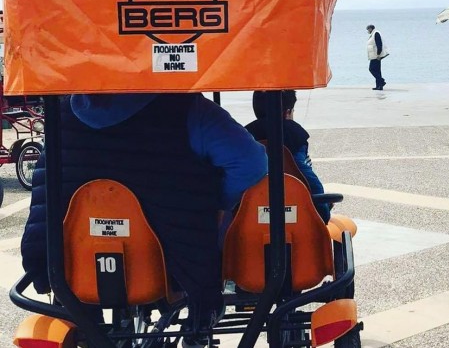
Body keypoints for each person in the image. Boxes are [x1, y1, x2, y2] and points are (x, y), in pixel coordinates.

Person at [21, 93, 268, 346]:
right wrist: (214, 203)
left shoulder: (60, 115)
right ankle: (202, 314)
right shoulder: (190, 110)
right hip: (174, 265)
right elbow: (252, 163)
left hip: (70, 267)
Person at [245, 90, 330, 223]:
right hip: (298, 218)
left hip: (250, 217)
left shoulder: (245, 136)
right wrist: (323, 210)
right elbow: (309, 179)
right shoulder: (293, 135)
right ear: (288, 112)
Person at [366, 24, 389, 90]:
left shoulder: (376, 34)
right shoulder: (373, 34)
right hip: (374, 55)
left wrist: (378, 54)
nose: (367, 31)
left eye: (368, 29)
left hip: (376, 56)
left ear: (371, 29)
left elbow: (379, 44)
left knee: (371, 69)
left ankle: (381, 81)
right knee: (377, 71)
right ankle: (379, 86)